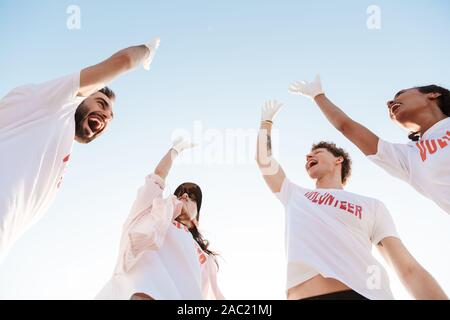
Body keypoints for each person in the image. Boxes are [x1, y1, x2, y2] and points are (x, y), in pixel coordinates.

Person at [255, 100, 448, 300]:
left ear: (338, 160)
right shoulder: (294, 195)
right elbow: (264, 160)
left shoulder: (372, 206)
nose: (308, 156)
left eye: (317, 152)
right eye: (307, 155)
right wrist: (266, 122)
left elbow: (407, 269)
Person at [0, 38, 161, 261]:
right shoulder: (53, 102)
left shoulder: (54, 139)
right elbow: (123, 61)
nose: (106, 116)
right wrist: (146, 51)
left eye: (111, 118)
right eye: (101, 103)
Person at [289, 76, 450, 215]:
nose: (389, 102)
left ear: (433, 94)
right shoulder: (408, 157)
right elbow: (347, 126)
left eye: (400, 94)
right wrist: (318, 95)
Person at [96, 138, 224, 300]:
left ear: (196, 217)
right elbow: (157, 178)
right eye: (181, 192)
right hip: (142, 292)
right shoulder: (152, 214)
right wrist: (175, 151)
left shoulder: (204, 256)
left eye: (192, 197)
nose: (185, 195)